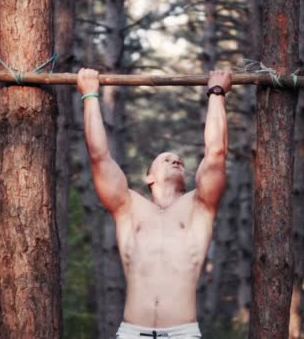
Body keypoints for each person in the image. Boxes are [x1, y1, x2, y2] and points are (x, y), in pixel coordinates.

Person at [77, 68, 230, 339]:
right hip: (131, 332)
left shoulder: (200, 205)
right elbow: (99, 156)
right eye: (166, 159)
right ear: (149, 177)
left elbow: (216, 153)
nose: (175, 160)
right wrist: (90, 95)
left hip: (183, 333)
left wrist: (216, 93)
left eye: (179, 160)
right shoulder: (128, 206)